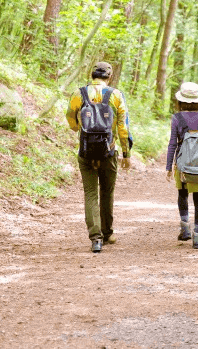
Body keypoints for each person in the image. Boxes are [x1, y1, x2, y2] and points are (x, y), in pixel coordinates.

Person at [66, 62, 132, 253]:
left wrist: (81, 129)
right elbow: (123, 126)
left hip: (86, 150)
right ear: (109, 77)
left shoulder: (79, 94)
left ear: (91, 74)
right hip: (108, 151)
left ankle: (96, 238)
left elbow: (71, 119)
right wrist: (126, 152)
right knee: (107, 191)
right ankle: (107, 232)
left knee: (90, 193)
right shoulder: (116, 95)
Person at [165, 82, 198, 249]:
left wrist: (168, 166)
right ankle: (197, 237)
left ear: (181, 100)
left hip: (181, 162)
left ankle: (184, 228)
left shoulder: (177, 118)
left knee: (182, 193)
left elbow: (173, 143)